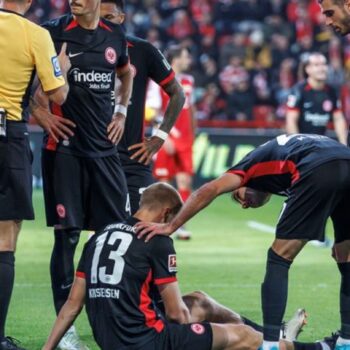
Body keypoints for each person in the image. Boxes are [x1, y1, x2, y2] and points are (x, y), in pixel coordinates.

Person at [42, 183, 329, 350]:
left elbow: (71, 306)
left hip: (111, 341)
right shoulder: (156, 239)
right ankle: (307, 348)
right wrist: (211, 334)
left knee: (200, 300)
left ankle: (276, 333)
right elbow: (177, 316)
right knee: (244, 338)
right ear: (167, 213)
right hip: (145, 342)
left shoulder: (100, 237)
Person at [136, 134, 350, 350]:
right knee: (346, 256)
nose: (245, 204)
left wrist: (171, 226)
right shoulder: (279, 167)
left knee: (279, 258)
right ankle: (346, 341)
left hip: (317, 167)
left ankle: (270, 344)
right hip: (344, 159)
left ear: (242, 183)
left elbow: (209, 189)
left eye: (239, 197)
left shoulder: (247, 167)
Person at [31, 0, 133, 348]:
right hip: (64, 151)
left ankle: (113, 316)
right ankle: (66, 330)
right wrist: (41, 115)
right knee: (68, 236)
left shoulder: (114, 36)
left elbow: (126, 73)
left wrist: (120, 112)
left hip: (105, 153)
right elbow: (26, 79)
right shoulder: (50, 32)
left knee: (114, 234)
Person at [0, 0, 71, 348]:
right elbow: (57, 92)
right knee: (4, 240)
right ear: (28, 1)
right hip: (6, 135)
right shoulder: (36, 34)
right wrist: (64, 67)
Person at [99, 0, 185, 214]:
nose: (103, 24)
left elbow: (178, 93)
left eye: (109, 18)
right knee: (97, 228)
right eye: (99, 19)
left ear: (122, 18)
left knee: (144, 225)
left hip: (132, 158)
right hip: (95, 154)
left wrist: (159, 137)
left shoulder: (143, 50)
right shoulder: (83, 50)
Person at [151, 45, 196, 239]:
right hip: (167, 136)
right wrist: (162, 135)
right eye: (186, 57)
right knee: (164, 182)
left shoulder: (189, 80)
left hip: (185, 139)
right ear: (176, 59)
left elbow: (190, 108)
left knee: (185, 180)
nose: (189, 61)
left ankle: (180, 223)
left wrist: (193, 131)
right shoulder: (158, 81)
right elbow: (152, 111)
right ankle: (163, 222)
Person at [285, 52, 347, 145]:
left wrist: (344, 144)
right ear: (308, 69)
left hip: (321, 144)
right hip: (301, 145)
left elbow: (338, 119)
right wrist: (298, 146)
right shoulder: (298, 91)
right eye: (316, 65)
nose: (321, 68)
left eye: (324, 64)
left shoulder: (332, 91)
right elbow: (291, 120)